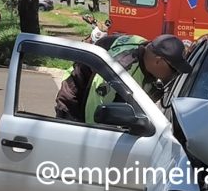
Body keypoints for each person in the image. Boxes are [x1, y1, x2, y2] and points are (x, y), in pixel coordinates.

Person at [54, 34, 192, 124]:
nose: (175, 75)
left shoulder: (143, 47)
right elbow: (95, 109)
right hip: (75, 98)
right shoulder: (120, 69)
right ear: (158, 61)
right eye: (174, 70)